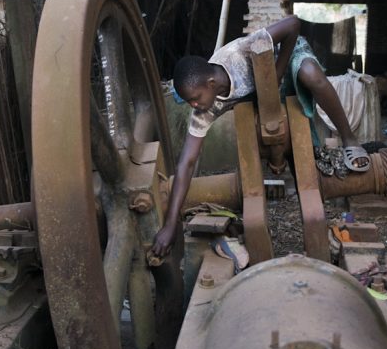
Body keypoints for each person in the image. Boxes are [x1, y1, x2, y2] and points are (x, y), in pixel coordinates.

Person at [151, 15, 370, 257]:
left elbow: (294, 24)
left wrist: (277, 72)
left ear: (211, 83)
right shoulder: (205, 108)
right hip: (262, 93)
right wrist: (171, 224)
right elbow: (186, 163)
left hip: (285, 56)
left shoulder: (240, 52)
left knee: (312, 75)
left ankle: (349, 139)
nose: (193, 105)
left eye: (195, 99)